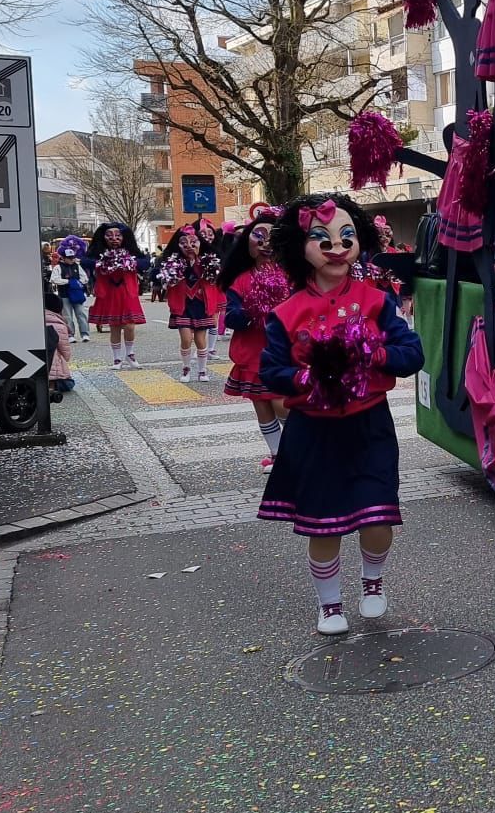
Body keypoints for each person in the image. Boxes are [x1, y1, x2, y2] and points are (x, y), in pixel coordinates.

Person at [257, 194, 425, 635]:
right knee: (323, 524)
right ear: (301, 248)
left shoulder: (377, 302)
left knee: (379, 515)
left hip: (369, 424)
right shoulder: (285, 313)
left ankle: (373, 582)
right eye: (323, 238)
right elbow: (270, 372)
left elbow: (412, 353)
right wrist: (306, 377)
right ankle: (330, 605)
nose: (337, 246)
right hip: (313, 431)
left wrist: (376, 354)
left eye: (347, 236)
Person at [218, 205, 292, 467]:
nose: (265, 244)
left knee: (281, 402)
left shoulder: (292, 276)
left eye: (272, 238)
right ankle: (277, 454)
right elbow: (231, 316)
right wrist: (250, 312)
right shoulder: (240, 279)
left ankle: (295, 451)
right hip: (251, 352)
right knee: (260, 403)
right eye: (259, 236)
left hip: (283, 350)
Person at [156, 225, 216, 382]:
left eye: (193, 242)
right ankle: (186, 369)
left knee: (200, 340)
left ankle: (202, 370)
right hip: (182, 305)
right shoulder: (173, 263)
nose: (189, 246)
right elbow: (165, 282)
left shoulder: (207, 262)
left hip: (201, 305)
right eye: (184, 243)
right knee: (186, 339)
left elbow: (214, 280)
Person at [86, 222, 146, 366]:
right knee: (115, 326)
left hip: (128, 292)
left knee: (130, 325)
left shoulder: (130, 252)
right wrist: (103, 262)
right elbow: (85, 261)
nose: (114, 239)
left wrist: (130, 262)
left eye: (118, 235)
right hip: (109, 292)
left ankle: (130, 354)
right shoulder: (100, 253)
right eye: (109, 235)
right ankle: (117, 358)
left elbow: (145, 262)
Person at [43, 284, 74, 402]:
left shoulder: (35, 320)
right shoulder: (58, 324)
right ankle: (52, 386)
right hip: (55, 374)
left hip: (35, 374)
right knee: (69, 383)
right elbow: (66, 353)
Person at [57, 240, 91, 342]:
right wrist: (68, 282)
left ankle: (85, 334)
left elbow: (85, 278)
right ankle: (70, 334)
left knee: (81, 314)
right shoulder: (58, 267)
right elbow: (54, 279)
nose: (72, 260)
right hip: (64, 294)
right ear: (63, 258)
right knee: (67, 316)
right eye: (69, 258)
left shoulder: (77, 266)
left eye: (73, 257)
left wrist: (77, 282)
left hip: (77, 294)